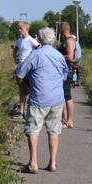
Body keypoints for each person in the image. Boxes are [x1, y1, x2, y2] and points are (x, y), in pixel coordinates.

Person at [15, 27, 68, 173]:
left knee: (33, 129)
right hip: (57, 99)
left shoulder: (35, 55)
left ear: (38, 38)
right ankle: (53, 163)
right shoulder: (59, 56)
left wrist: (23, 86)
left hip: (38, 98)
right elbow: (64, 75)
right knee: (54, 130)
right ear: (53, 39)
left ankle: (33, 163)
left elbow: (20, 73)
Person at [12, 21, 40, 118]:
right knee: (21, 90)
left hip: (28, 68)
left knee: (30, 90)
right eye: (19, 28)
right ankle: (21, 112)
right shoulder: (19, 40)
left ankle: (30, 112)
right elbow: (15, 50)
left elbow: (39, 50)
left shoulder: (31, 40)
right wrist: (15, 58)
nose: (19, 30)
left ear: (26, 29)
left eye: (21, 28)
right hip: (20, 67)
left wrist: (33, 61)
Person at [58, 21, 78, 128]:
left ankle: (69, 121)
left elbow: (70, 57)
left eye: (60, 30)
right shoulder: (67, 40)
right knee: (63, 96)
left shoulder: (69, 41)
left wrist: (57, 56)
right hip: (64, 71)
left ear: (63, 30)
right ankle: (65, 120)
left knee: (67, 96)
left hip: (67, 71)